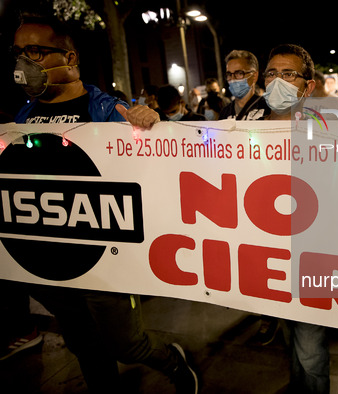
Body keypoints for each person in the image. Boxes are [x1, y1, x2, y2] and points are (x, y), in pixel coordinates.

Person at [10, 14, 197, 393]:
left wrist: (148, 124)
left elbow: (153, 163)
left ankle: (173, 362)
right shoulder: (24, 116)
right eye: (17, 53)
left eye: (34, 52)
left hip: (106, 260)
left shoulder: (108, 111)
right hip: (53, 260)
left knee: (126, 345)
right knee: (84, 346)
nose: (23, 64)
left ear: (70, 58)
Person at [261, 43, 329, 394]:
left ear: (308, 86)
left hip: (310, 259)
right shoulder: (243, 130)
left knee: (310, 345)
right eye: (272, 73)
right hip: (266, 259)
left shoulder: (328, 132)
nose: (278, 81)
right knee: (292, 335)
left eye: (289, 74)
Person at [219, 49, 270, 120]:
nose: (233, 78)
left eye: (239, 73)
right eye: (229, 74)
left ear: (254, 76)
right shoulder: (225, 113)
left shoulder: (268, 107)